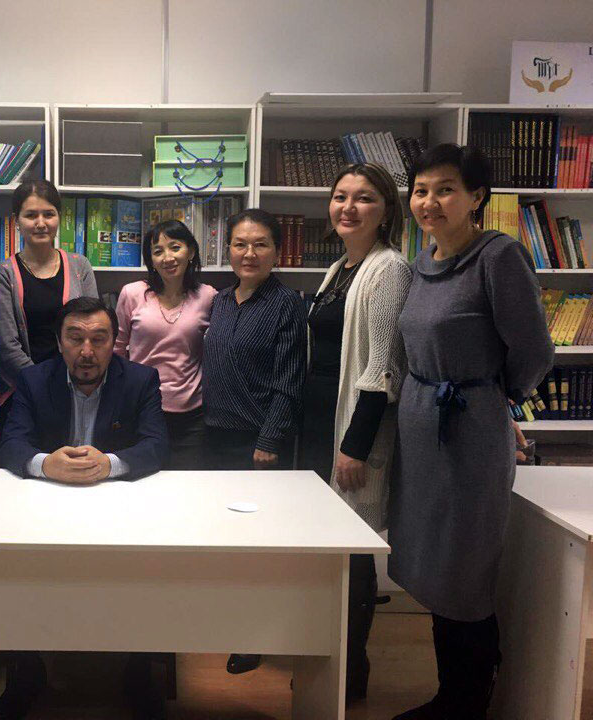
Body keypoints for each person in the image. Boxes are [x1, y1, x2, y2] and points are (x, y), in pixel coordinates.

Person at [388, 144, 554, 720]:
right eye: (420, 190)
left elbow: (533, 349)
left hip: (470, 431)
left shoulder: (498, 256)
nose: (429, 202)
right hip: (421, 430)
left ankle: (467, 700)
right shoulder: (421, 262)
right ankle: (449, 695)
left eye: (445, 190)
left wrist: (497, 398)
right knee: (435, 568)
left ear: (476, 197)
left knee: (465, 570)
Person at [0, 296, 170, 720]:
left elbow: (156, 445)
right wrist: (45, 464)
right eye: (75, 338)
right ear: (59, 342)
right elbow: (11, 443)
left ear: (115, 342)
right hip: (46, 505)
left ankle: (139, 670)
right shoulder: (34, 380)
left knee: (146, 572)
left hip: (118, 506)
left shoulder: (141, 380)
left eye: (99, 339)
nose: (87, 351)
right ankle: (25, 669)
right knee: (16, 570)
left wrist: (109, 464)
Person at [296, 163, 412, 701]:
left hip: (352, 430)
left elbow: (382, 369)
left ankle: (351, 670)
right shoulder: (341, 267)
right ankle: (325, 651)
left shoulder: (388, 270)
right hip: (322, 421)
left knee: (352, 550)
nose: (348, 207)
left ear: (385, 209)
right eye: (340, 196)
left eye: (363, 198)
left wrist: (354, 447)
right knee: (325, 545)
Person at [201, 208, 306, 676]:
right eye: (240, 244)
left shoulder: (287, 304)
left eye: (260, 244)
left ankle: (254, 636)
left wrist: (270, 439)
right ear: (228, 249)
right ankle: (224, 621)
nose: (249, 253)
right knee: (222, 539)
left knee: (259, 546)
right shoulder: (221, 301)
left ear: (277, 252)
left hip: (257, 443)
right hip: (213, 436)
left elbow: (290, 379)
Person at [0, 180, 97, 461]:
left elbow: (94, 329)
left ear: (59, 217)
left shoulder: (80, 266)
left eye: (48, 214)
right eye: (31, 215)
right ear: (17, 221)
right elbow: (7, 345)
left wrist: (69, 383)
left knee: (74, 470)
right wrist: (43, 387)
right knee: (22, 470)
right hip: (21, 393)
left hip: (77, 391)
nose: (40, 223)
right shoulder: (4, 273)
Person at [114, 219, 216, 469]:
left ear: (191, 252)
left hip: (192, 414)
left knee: (187, 485)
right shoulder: (132, 293)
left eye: (175, 247)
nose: (167, 257)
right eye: (158, 251)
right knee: (141, 481)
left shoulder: (208, 296)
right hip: (142, 409)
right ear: (150, 259)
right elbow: (117, 349)